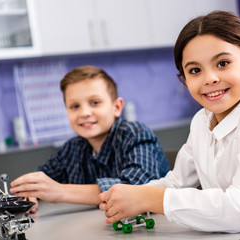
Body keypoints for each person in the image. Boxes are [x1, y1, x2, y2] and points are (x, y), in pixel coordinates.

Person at [98, 11, 240, 233]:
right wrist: (133, 196)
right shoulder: (202, 121)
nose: (210, 78)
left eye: (222, 63)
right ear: (185, 79)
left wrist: (152, 199)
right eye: (195, 70)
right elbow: (176, 183)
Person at [10, 65, 170, 212]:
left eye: (95, 103)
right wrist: (31, 192)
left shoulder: (135, 134)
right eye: (74, 106)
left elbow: (139, 190)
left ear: (117, 107)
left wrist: (60, 191)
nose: (84, 113)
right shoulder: (73, 148)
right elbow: (44, 178)